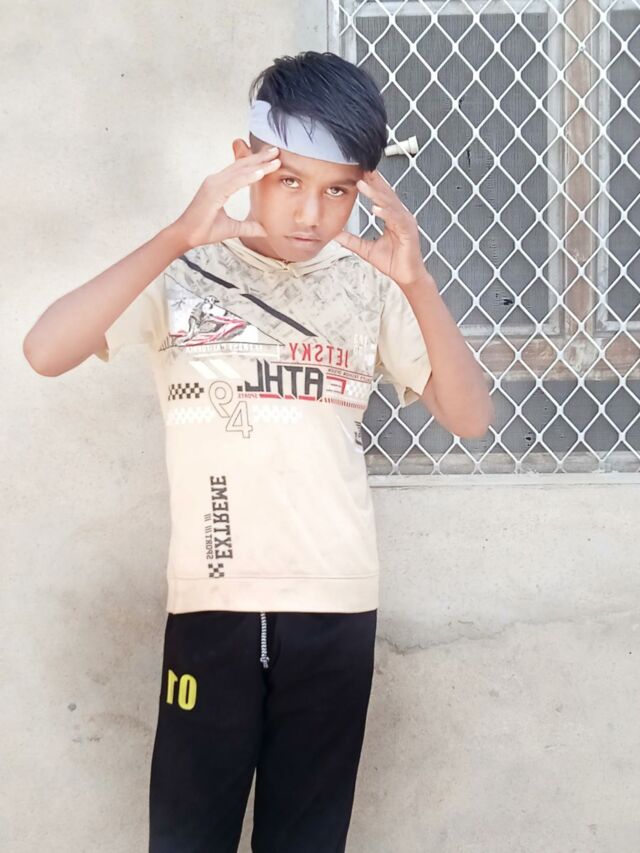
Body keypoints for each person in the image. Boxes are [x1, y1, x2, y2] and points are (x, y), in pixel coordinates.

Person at [23, 49, 491, 853]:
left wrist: (417, 283)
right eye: (289, 180)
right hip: (212, 608)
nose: (311, 212)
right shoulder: (185, 273)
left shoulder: (369, 281)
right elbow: (44, 349)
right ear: (245, 162)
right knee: (187, 836)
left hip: (336, 609)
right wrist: (174, 237)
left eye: (338, 190)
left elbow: (470, 416)